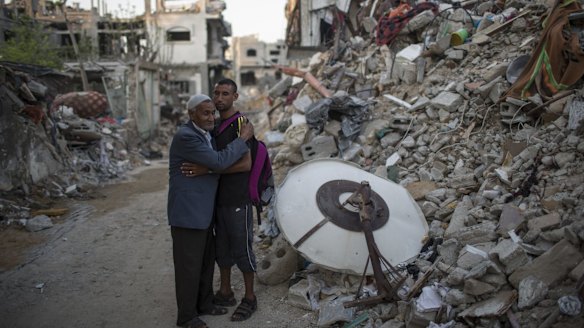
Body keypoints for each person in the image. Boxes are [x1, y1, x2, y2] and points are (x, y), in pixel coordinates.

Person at [167, 94, 254, 328]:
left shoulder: (205, 135)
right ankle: (186, 316)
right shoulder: (187, 136)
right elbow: (219, 161)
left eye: (212, 112)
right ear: (191, 114)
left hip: (203, 214)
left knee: (205, 264)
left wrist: (208, 169)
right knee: (188, 268)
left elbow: (215, 166)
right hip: (188, 215)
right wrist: (243, 138)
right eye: (205, 113)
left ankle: (204, 304)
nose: (211, 117)